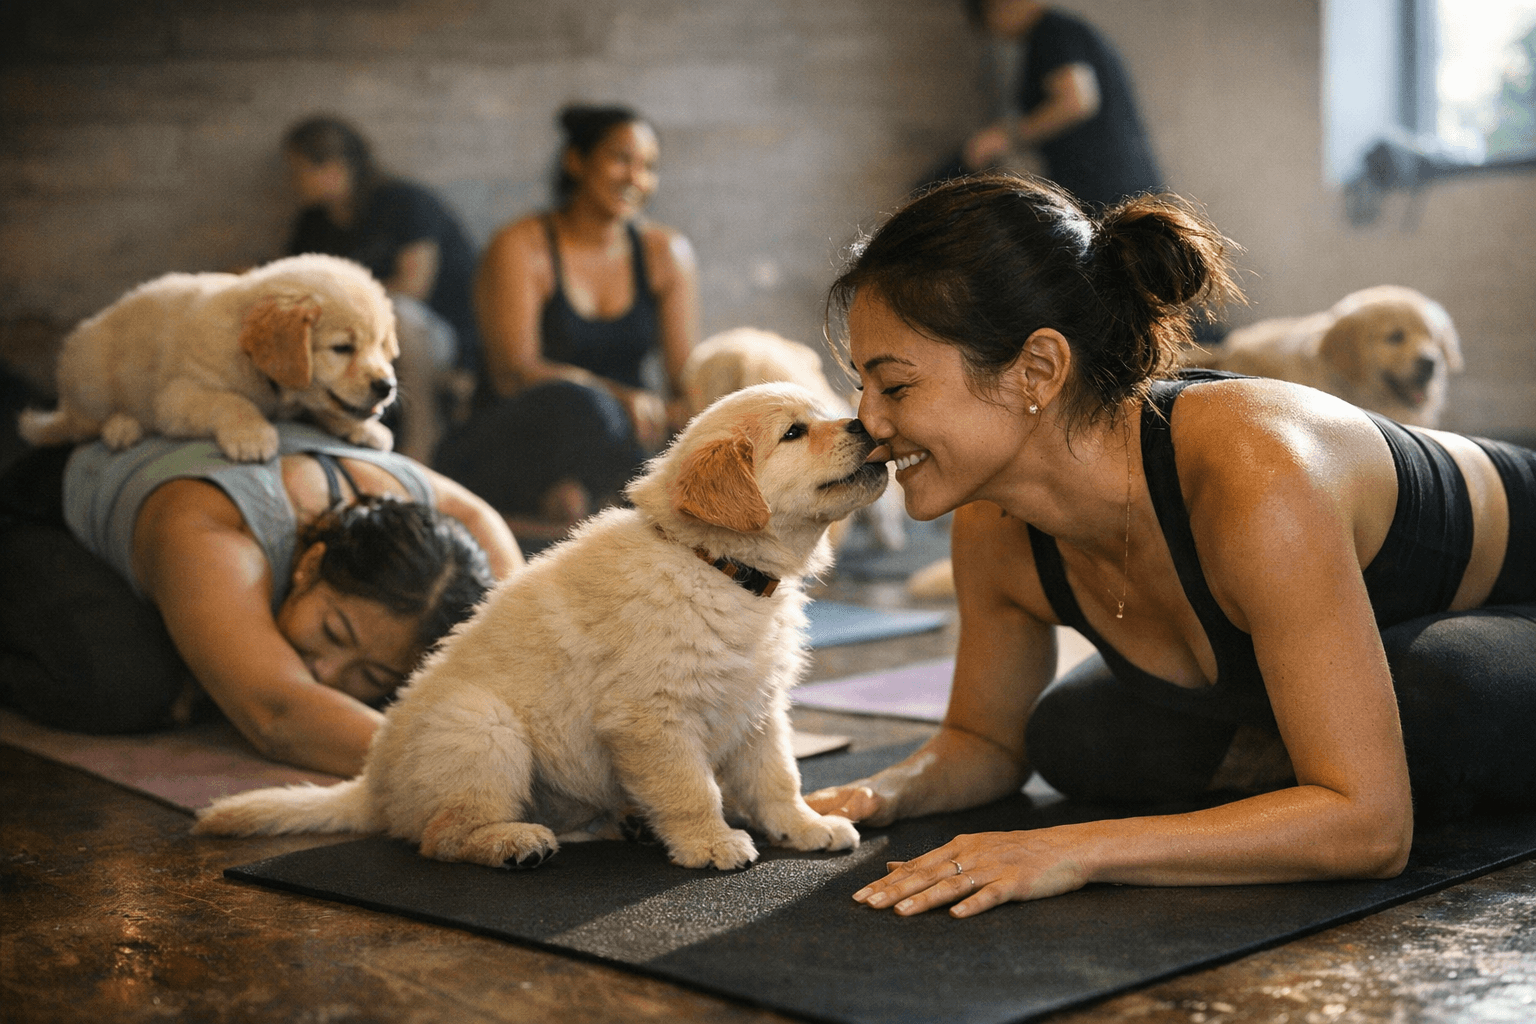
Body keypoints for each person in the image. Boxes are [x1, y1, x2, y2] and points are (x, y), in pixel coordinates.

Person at [805, 174, 1536, 919]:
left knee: (1436, 697)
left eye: (895, 387)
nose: (868, 424)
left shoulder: (1256, 474)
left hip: (1518, 594)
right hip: (1371, 632)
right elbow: (983, 740)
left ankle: (1328, 766)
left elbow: (1373, 829)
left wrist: (1072, 850)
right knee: (1073, 737)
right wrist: (883, 792)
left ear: (1038, 370)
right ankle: (1314, 764)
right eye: (863, 385)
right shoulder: (994, 524)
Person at [0, 425, 522, 778]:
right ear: (311, 563)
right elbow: (279, 716)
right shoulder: (217, 528)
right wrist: (475, 766)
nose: (328, 673)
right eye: (334, 632)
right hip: (42, 511)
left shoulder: (452, 523)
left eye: (372, 675)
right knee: (121, 682)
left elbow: (525, 639)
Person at [434, 104, 699, 532]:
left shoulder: (666, 253)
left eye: (648, 167)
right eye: (621, 159)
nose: (636, 178)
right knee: (585, 407)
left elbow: (686, 382)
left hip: (621, 442)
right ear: (576, 161)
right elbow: (512, 374)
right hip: (519, 442)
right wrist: (616, 396)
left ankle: (593, 506)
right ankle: (575, 511)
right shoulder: (521, 246)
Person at [282, 116, 482, 461]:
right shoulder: (312, 224)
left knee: (399, 312)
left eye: (299, 170)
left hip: (442, 339)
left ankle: (423, 441)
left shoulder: (403, 203)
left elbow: (413, 286)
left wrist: (337, 304)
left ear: (334, 166)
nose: (293, 182)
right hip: (363, 339)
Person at [935, 0, 1162, 209]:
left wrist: (1006, 136)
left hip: (1107, 185)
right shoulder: (1058, 32)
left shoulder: (1052, 32)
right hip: (1113, 183)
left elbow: (1077, 102)